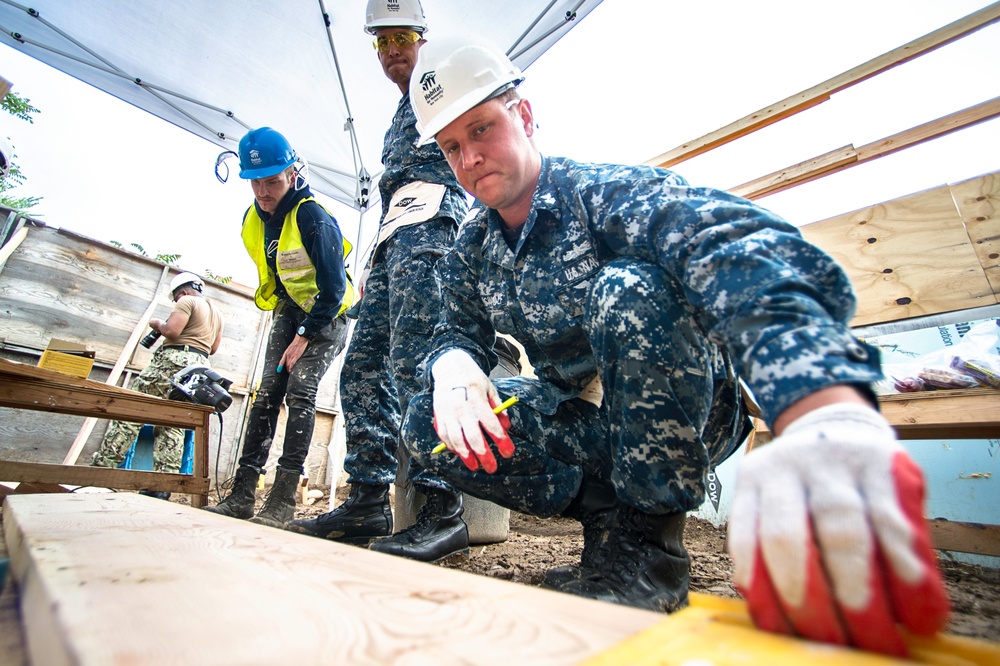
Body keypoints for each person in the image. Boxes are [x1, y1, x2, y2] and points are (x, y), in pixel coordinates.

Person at [397, 36, 951, 658]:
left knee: (627, 287)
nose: (470, 157)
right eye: (451, 147)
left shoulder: (602, 194)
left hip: (691, 414)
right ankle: (612, 524)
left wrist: (823, 408)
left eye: (482, 129)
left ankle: (649, 553)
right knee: (427, 419)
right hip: (584, 421)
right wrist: (454, 366)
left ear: (524, 117)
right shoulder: (473, 248)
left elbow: (733, 244)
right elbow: (449, 328)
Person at [286, 0, 473, 563]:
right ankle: (367, 496)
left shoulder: (445, 87)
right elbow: (395, 196)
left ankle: (444, 509)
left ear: (423, 39)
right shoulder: (399, 112)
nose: (392, 50)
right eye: (381, 42)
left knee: (423, 363)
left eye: (401, 37)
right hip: (395, 242)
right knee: (364, 367)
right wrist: (373, 262)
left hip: (433, 237)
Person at [204, 127, 355, 529]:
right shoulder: (254, 216)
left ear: (291, 173)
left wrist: (304, 336)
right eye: (256, 182)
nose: (264, 191)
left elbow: (334, 287)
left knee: (301, 390)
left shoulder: (313, 218)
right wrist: (290, 326)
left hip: (328, 312)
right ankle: (241, 495)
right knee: (267, 391)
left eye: (272, 180)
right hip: (290, 308)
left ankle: (283, 500)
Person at [93, 272, 224, 482]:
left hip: (173, 361)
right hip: (199, 370)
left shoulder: (187, 301)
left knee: (132, 411)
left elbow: (172, 331)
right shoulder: (216, 313)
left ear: (181, 292)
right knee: (173, 422)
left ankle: (100, 470)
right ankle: (164, 484)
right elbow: (214, 348)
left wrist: (157, 324)